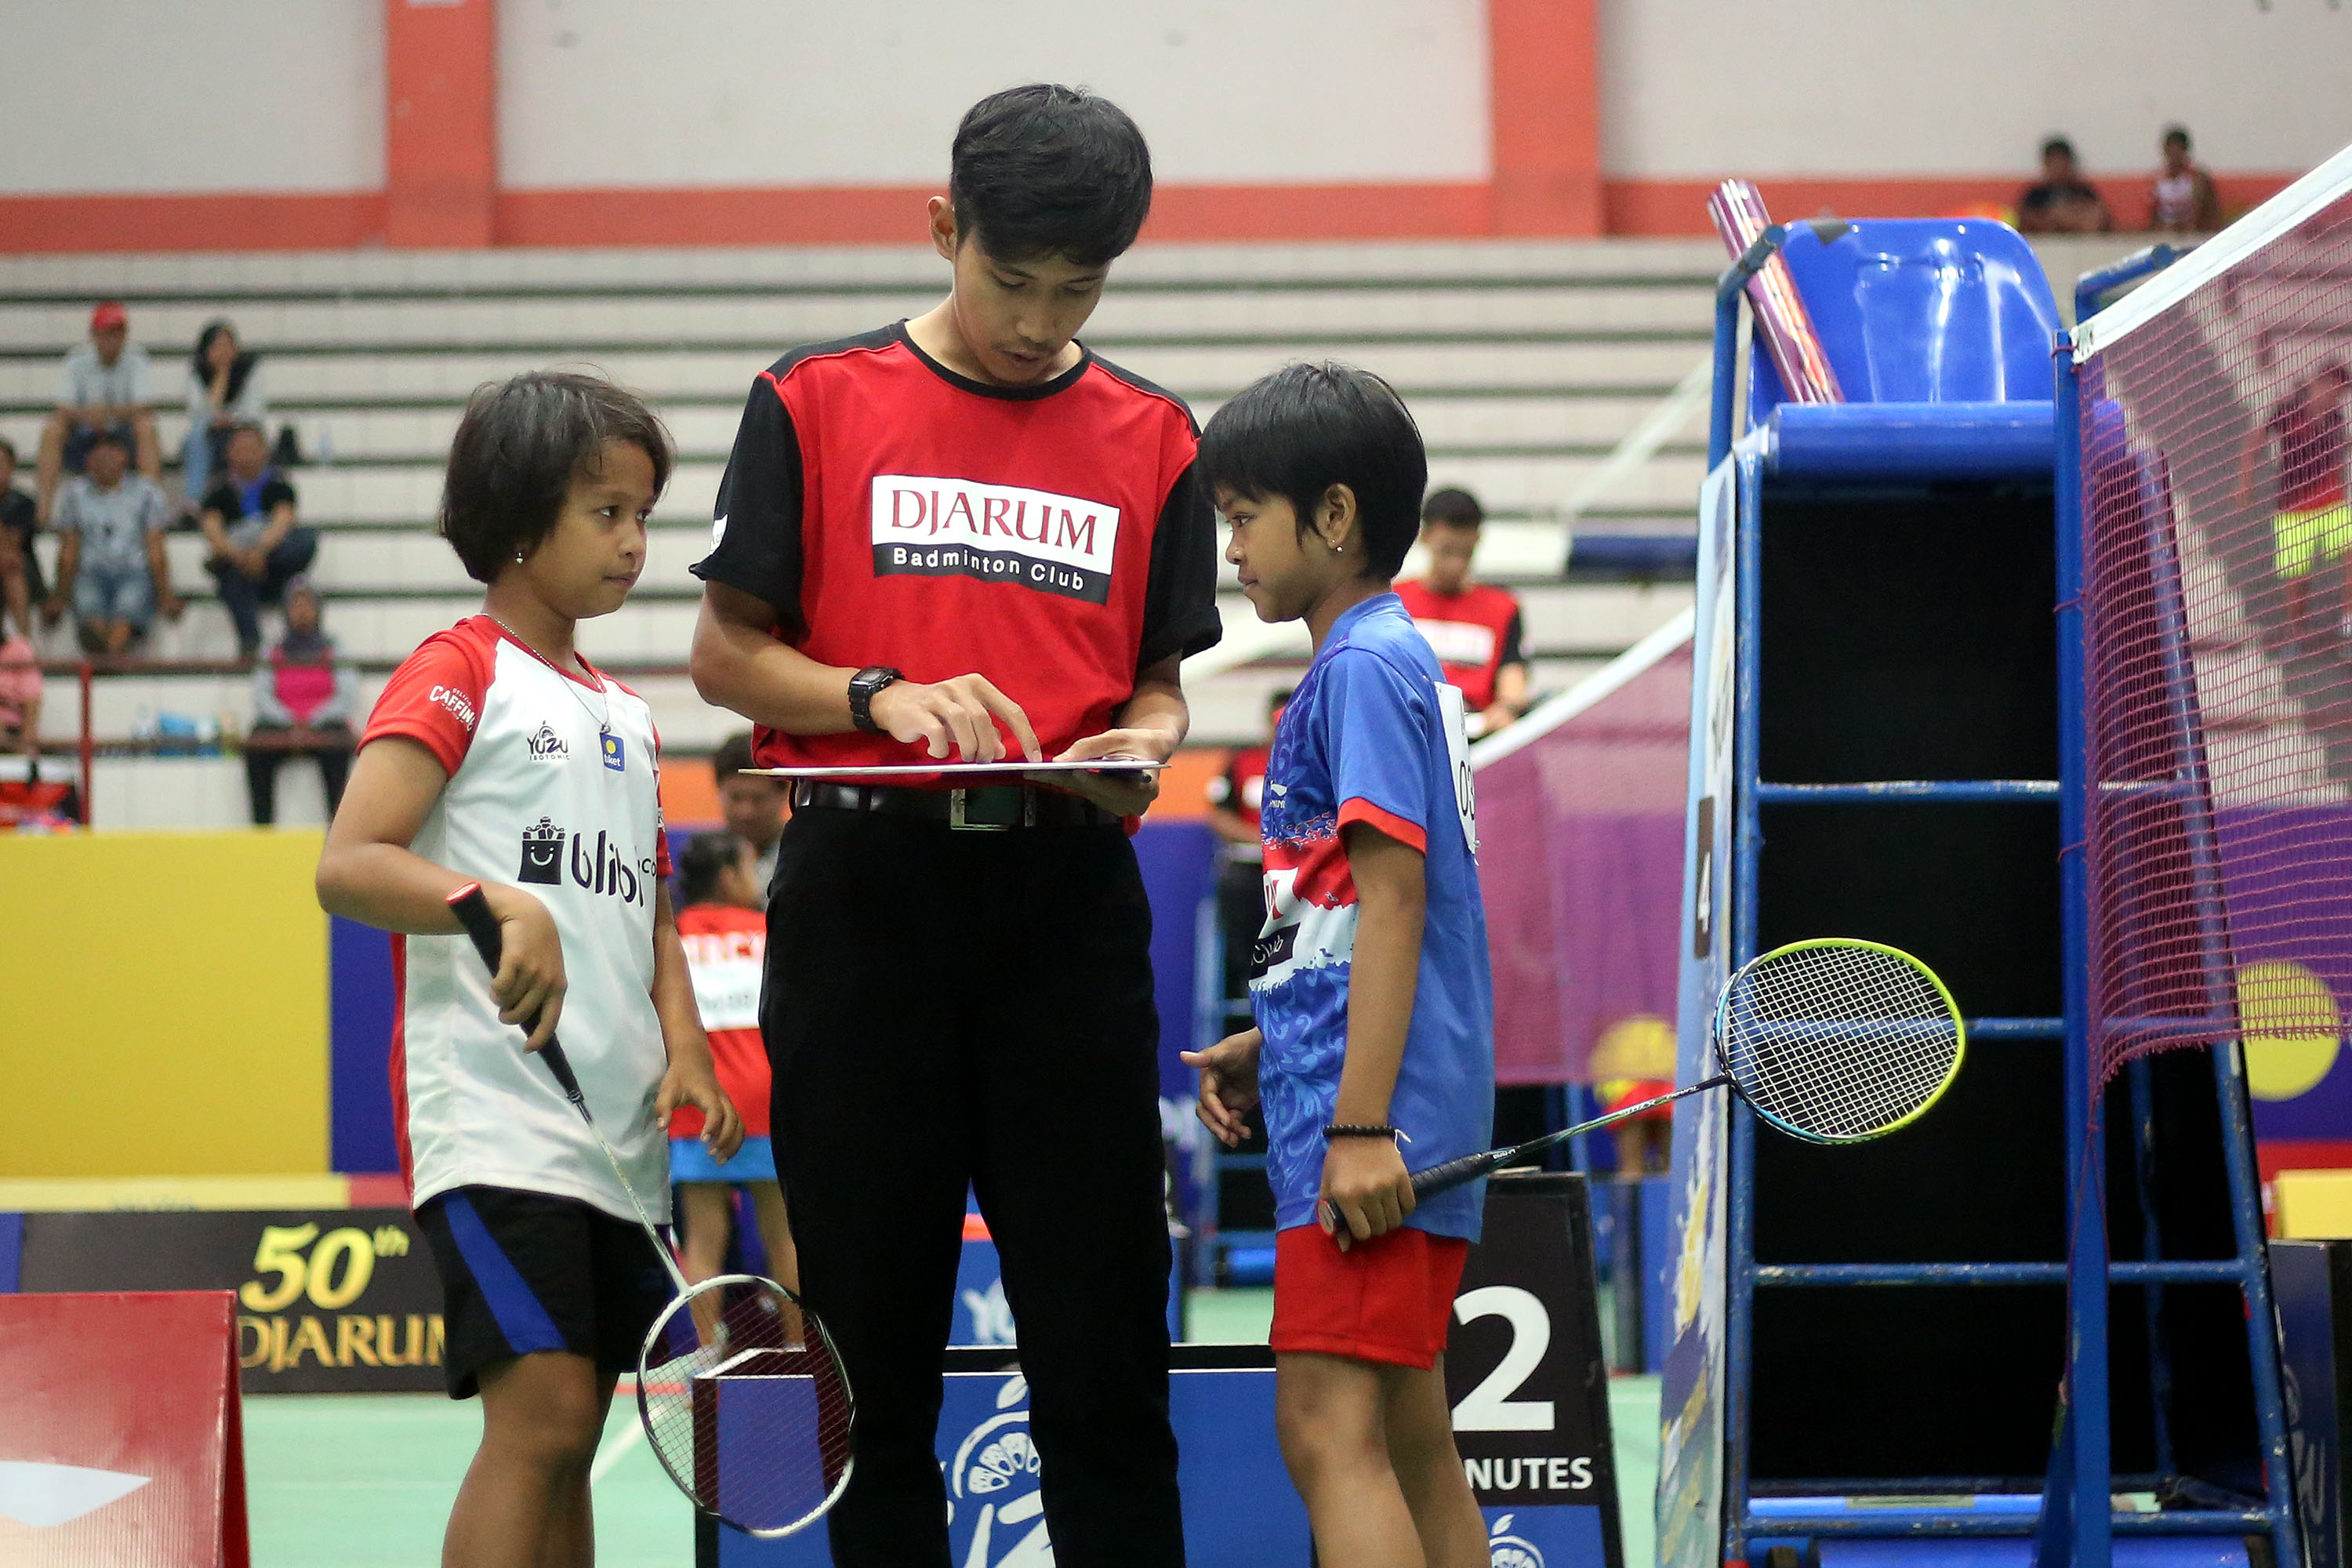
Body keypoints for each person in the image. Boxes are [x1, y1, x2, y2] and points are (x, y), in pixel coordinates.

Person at [688, 83, 1217, 1567]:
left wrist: (1143, 743)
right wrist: (876, 692)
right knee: (872, 1369)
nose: (1043, 320)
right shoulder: (812, 401)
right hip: (865, 903)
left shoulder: (1156, 438)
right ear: (942, 231)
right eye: (1012, 279)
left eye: (1080, 288)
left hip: (1067, 914)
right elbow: (727, 654)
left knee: (1105, 1359)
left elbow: (1162, 683)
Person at [314, 370, 742, 1568]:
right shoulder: (460, 669)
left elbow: (649, 910)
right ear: (518, 518)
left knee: (569, 1427)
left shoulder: (628, 715)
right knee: (543, 1416)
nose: (635, 542)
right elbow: (350, 862)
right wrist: (488, 899)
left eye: (644, 515)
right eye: (605, 513)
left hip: (615, 1133)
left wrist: (689, 1047)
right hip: (497, 1115)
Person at [1183, 361, 1494, 1568]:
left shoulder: (1360, 668)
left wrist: (1360, 1121)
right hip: (1381, 1094)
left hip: (1375, 1125)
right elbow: (1352, 918)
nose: (1234, 550)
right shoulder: (1394, 659)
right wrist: (1283, 1033)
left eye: (1245, 519)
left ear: (1334, 516)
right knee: (1410, 1432)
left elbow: (1399, 896)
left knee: (1323, 1427)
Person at [669, 829, 801, 1342]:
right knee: (785, 1239)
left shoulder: (672, 936)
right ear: (727, 877)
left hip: (701, 1103)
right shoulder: (764, 931)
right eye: (748, 870)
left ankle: (706, 1359)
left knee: (702, 1240)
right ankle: (798, 1351)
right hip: (768, 1102)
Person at [1393, 487, 1529, 738]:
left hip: (1478, 736)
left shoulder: (1503, 607)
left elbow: (1514, 683)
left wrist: (1506, 710)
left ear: (1477, 539)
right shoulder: (1394, 602)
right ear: (1425, 537)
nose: (1455, 564)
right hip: (1409, 732)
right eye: (1447, 551)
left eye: (1464, 553)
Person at [2241, 364, 2351, 649]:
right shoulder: (2288, 410)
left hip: (2331, 502)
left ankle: (2348, 625)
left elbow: (2339, 454)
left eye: (2340, 393)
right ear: (2318, 382)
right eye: (2333, 389)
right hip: (2292, 505)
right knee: (2296, 577)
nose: (2335, 397)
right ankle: (2296, 632)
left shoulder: (2335, 419)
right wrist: (2245, 480)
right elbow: (2257, 439)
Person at [45, 428, 179, 655]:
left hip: (134, 572)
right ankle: (108, 655)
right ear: (88, 461)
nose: (105, 460)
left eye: (112, 454)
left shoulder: (147, 493)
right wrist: (59, 596)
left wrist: (165, 594)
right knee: (88, 603)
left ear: (125, 458)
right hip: (89, 572)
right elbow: (68, 550)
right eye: (99, 455)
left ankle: (106, 658)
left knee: (129, 603)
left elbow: (156, 547)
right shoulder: (74, 495)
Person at [244, 576, 360, 824]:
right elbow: (262, 695)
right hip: (281, 724)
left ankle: (338, 829)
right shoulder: (271, 650)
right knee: (256, 745)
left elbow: (347, 694)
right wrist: (290, 721)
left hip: (324, 724)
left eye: (307, 605)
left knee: (338, 744)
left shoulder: (334, 648)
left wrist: (312, 720)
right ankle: (262, 829)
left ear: (318, 610)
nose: (302, 612)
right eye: (295, 605)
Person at [200, 421, 319, 657]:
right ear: (229, 452)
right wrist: (240, 556)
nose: (247, 455)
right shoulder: (218, 491)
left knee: (305, 540)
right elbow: (212, 530)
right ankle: (250, 642)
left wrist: (259, 552)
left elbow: (283, 520)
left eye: (253, 448)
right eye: (240, 448)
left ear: (265, 451)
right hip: (240, 566)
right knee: (225, 572)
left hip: (272, 563)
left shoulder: (278, 485)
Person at [1206, 687, 1290, 1016]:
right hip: (1248, 866)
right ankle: (1248, 980)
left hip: (1293, 870)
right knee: (1237, 888)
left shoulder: (1315, 766)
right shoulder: (1242, 761)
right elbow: (1219, 814)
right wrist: (1261, 840)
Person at [37, 302, 160, 526]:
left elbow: (144, 406)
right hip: (85, 431)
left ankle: (152, 508)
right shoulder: (77, 359)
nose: (112, 340)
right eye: (107, 333)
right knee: (52, 429)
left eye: (118, 332)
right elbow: (62, 406)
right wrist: (88, 416)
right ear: (94, 335)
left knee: (147, 427)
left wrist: (109, 413)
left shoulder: (136, 358)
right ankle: (43, 508)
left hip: (123, 433)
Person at [184, 320, 267, 506]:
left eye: (227, 345)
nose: (223, 352)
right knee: (195, 438)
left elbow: (255, 412)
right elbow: (198, 414)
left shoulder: (250, 368)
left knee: (252, 441)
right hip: (211, 432)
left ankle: (254, 500)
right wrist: (221, 375)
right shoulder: (196, 371)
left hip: (242, 429)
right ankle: (194, 501)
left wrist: (231, 420)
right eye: (217, 346)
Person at [711, 731, 786, 895]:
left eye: (758, 799)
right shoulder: (702, 860)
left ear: (784, 794)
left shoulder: (801, 860)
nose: (746, 812)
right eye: (735, 798)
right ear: (718, 790)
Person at [2016, 137, 2114, 235]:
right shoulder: (2035, 194)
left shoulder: (2083, 191)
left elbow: (2101, 220)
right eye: (2054, 163)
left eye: (2062, 163)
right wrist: (2054, 218)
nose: (2058, 169)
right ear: (2046, 164)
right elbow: (2023, 222)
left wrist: (2075, 218)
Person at [0, 438, 42, 643]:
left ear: (12, 467)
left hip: (23, 570)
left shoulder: (24, 503)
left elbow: (12, 544)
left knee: (11, 566)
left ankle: (24, 646)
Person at [2147, 125, 2223, 234]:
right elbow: (2154, 215)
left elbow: (2211, 212)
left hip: (2195, 233)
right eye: (2170, 150)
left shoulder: (2198, 178)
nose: (2174, 155)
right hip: (2166, 233)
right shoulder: (2156, 179)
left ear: (2185, 151)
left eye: (2178, 150)